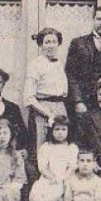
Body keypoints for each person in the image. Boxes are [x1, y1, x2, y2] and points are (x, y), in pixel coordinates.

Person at [28, 114, 79, 201]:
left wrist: (63, 178)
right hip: (49, 178)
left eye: (63, 129)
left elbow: (72, 166)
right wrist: (52, 177)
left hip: (66, 177)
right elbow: (42, 167)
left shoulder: (71, 147)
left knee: (65, 196)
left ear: (68, 131)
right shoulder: (46, 147)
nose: (60, 133)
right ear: (51, 131)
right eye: (57, 129)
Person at [24, 27, 68, 162]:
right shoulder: (35, 65)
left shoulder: (59, 64)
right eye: (47, 42)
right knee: (42, 149)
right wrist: (49, 114)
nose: (51, 45)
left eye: (54, 41)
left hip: (60, 108)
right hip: (42, 110)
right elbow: (29, 98)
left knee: (60, 148)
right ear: (40, 45)